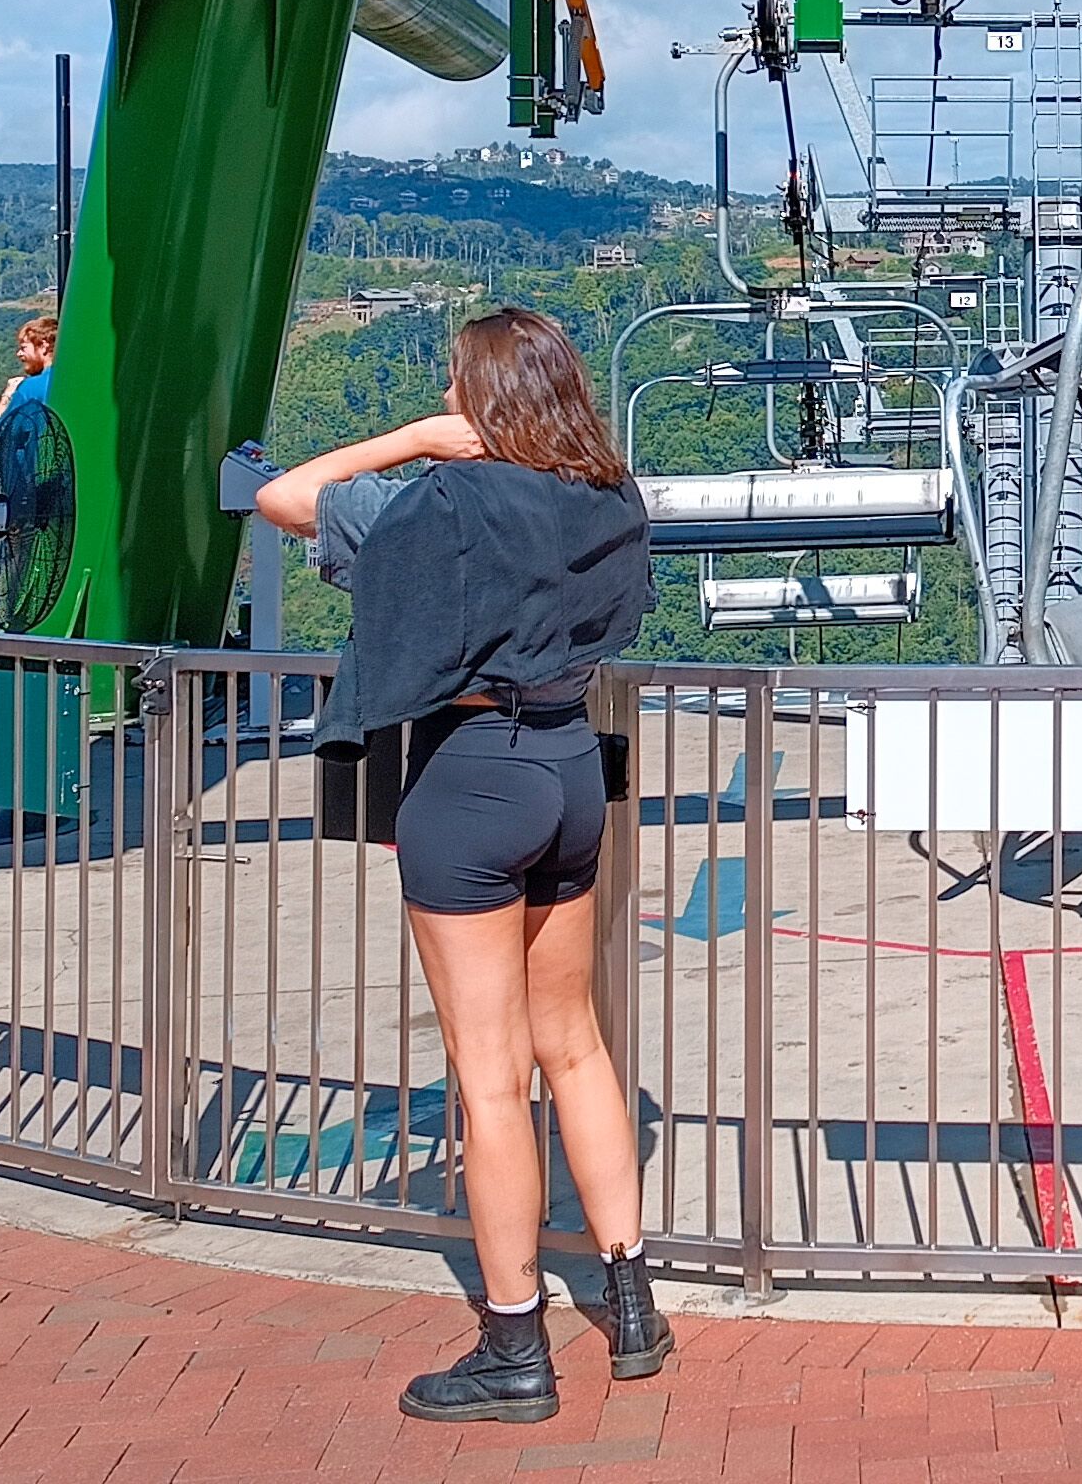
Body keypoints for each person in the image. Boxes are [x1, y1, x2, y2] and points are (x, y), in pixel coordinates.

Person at [262, 310, 668, 1422]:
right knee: (576, 1046)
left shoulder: (443, 500)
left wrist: (411, 437)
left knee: (489, 1084)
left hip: (472, 773)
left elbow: (285, 498)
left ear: (475, 399)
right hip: (570, 764)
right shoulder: (607, 498)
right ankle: (631, 1297)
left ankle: (512, 1346)